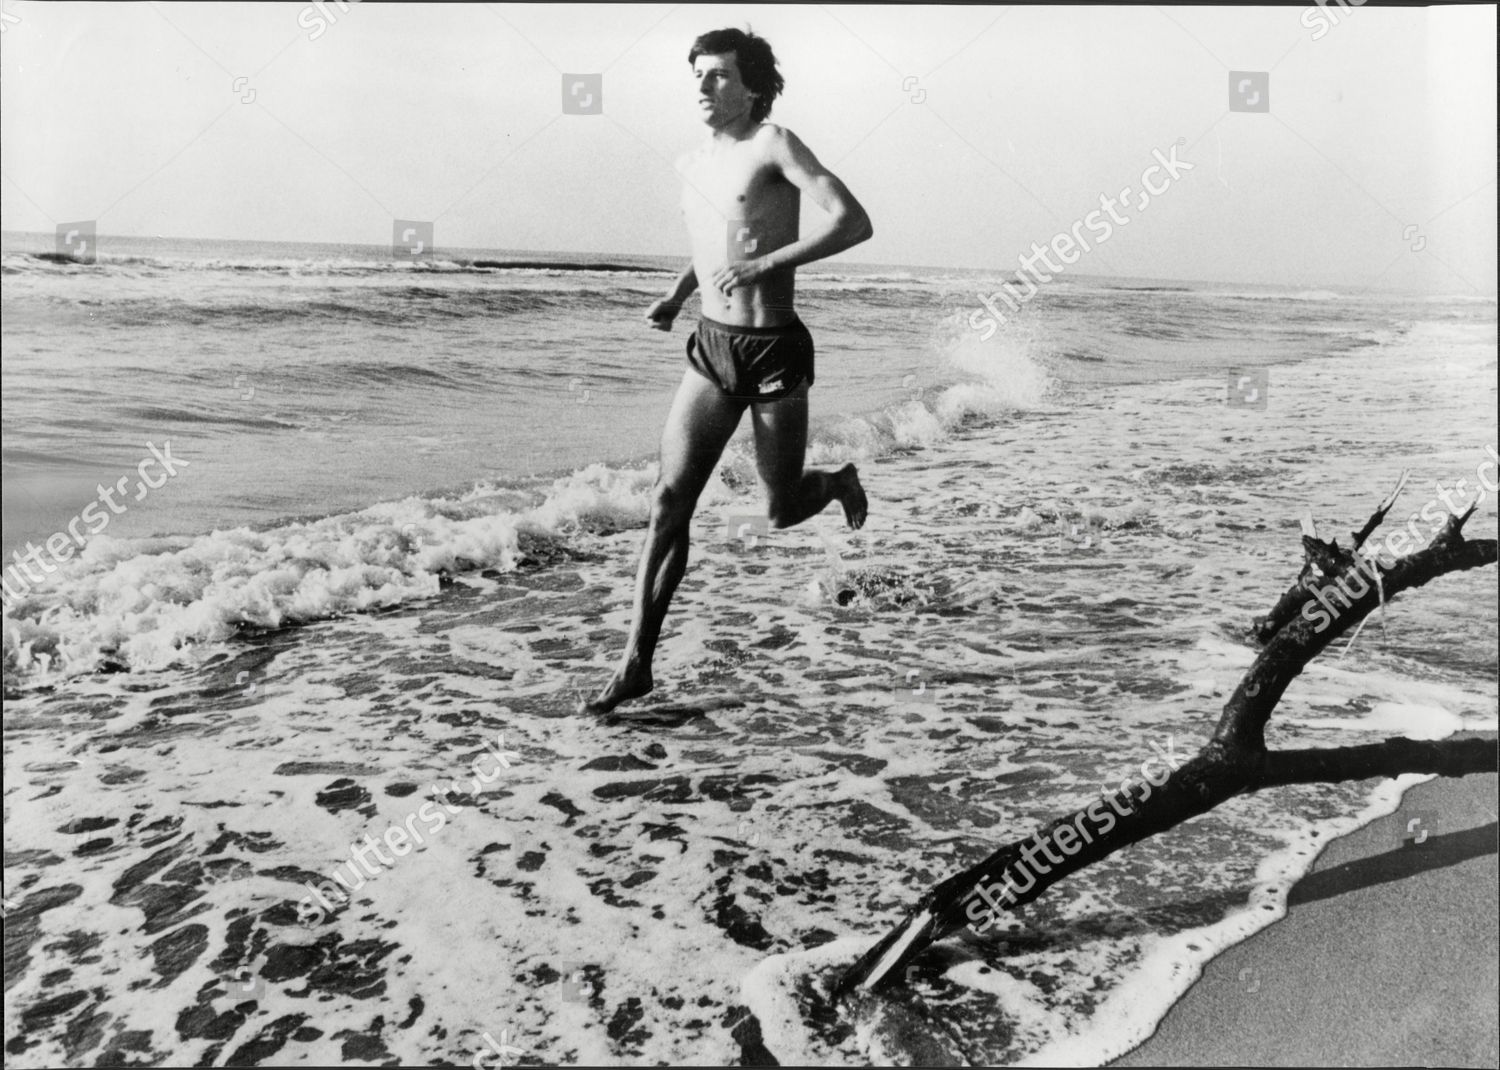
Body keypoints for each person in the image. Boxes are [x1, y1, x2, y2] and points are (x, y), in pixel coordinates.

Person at [579, 26, 873, 715]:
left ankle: (834, 483)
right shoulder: (692, 163)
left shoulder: (776, 145)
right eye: (698, 76)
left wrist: (765, 266)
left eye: (717, 76)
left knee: (779, 508)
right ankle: (635, 662)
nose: (703, 88)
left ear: (752, 87)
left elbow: (853, 222)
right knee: (668, 503)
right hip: (713, 347)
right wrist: (679, 295)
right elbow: (715, 240)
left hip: (773, 349)